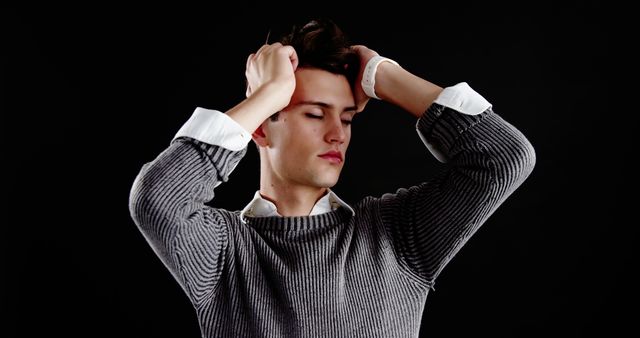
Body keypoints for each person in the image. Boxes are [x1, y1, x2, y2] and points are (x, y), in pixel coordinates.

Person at [129, 17, 536, 337]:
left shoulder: (396, 236)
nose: (337, 134)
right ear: (260, 128)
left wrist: (384, 77)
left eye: (346, 117)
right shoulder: (222, 254)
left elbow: (504, 158)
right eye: (313, 113)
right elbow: (157, 199)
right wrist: (267, 94)